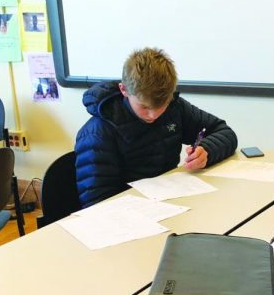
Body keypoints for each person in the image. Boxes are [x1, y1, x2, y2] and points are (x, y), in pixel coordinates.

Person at [75, 47, 238, 207]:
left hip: (171, 202)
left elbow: (223, 131)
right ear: (123, 90)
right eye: (144, 107)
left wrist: (207, 150)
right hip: (132, 215)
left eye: (162, 105)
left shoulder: (175, 107)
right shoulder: (97, 134)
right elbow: (98, 204)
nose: (153, 115)